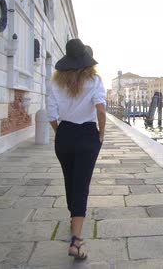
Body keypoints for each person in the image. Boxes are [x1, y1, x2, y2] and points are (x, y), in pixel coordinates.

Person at [46, 38, 106, 260]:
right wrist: (101, 133)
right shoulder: (94, 81)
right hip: (88, 135)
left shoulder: (55, 83)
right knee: (82, 184)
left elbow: (51, 115)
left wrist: (60, 132)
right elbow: (100, 110)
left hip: (65, 134)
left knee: (70, 180)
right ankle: (76, 241)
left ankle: (74, 219)